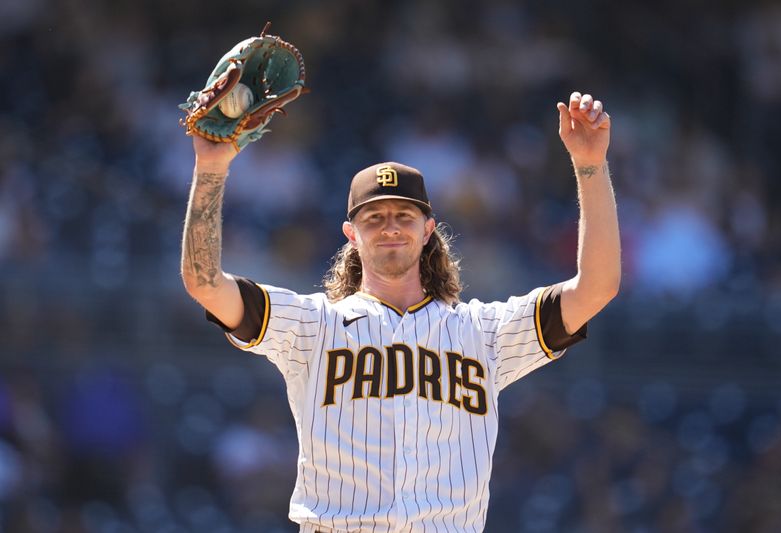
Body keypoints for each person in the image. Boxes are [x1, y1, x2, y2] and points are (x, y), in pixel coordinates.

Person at [180, 91, 620, 532]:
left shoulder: (482, 332)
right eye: (374, 218)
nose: (390, 227)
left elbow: (597, 288)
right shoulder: (313, 326)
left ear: (428, 230)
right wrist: (211, 168)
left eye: (403, 216)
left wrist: (590, 164)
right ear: (351, 234)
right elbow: (204, 283)